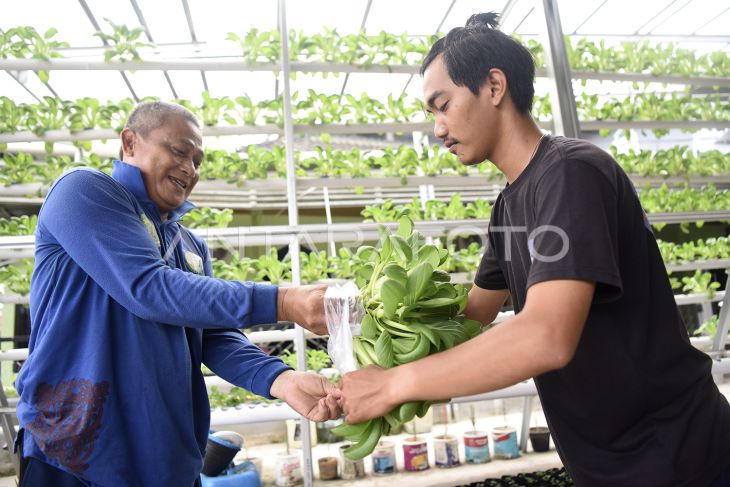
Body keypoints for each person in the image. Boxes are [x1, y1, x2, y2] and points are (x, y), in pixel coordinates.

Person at [338, 12, 730, 487]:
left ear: (494, 86)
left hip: (674, 455)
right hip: (606, 461)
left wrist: (395, 386)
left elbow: (547, 334)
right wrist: (361, 317)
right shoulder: (508, 207)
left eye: (442, 105)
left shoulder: (571, 173)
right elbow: (468, 319)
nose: (437, 129)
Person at [15, 101, 341, 486]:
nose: (190, 168)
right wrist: (284, 301)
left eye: (198, 160)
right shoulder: (82, 191)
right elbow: (148, 288)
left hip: (166, 463)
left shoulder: (189, 246)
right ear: (130, 142)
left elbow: (214, 336)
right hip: (74, 455)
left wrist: (281, 379)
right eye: (179, 151)